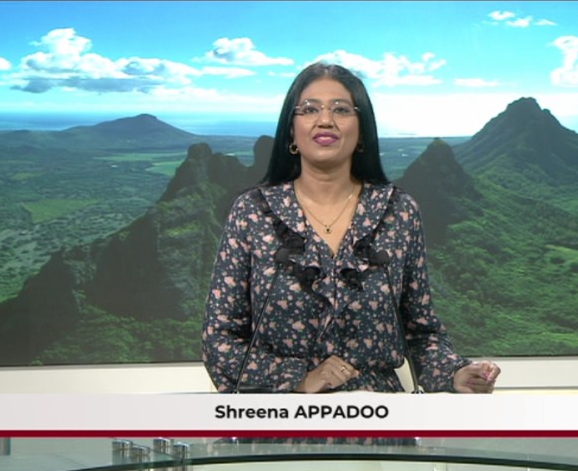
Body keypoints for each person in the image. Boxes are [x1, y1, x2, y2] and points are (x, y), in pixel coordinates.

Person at [202, 61, 500, 394]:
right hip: (277, 415)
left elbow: (420, 333)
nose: (325, 120)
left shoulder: (398, 211)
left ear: (362, 130)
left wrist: (455, 373)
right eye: (309, 109)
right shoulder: (252, 212)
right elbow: (219, 340)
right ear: (291, 130)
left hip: (377, 415)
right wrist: (298, 378)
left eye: (341, 109)